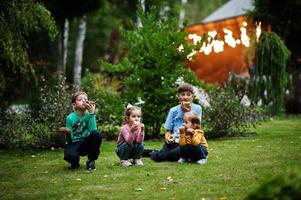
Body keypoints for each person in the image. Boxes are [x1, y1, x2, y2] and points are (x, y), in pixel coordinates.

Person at [150, 83, 202, 162]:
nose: (185, 97)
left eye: (188, 94)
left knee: (172, 156)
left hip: (187, 141)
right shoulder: (173, 110)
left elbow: (197, 127)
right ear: (178, 96)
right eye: (182, 94)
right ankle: (152, 153)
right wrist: (168, 138)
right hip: (174, 140)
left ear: (192, 97)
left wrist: (188, 112)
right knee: (161, 157)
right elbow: (168, 131)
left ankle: (172, 154)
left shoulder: (197, 108)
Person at [62, 91, 102, 170]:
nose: (83, 101)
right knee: (70, 156)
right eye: (80, 99)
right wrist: (68, 134)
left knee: (97, 134)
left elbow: (93, 130)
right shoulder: (70, 118)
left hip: (85, 142)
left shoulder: (89, 114)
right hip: (74, 142)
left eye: (85, 99)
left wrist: (92, 113)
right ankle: (74, 161)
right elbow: (69, 140)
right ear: (74, 105)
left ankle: (91, 161)